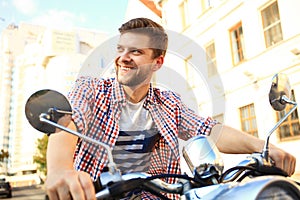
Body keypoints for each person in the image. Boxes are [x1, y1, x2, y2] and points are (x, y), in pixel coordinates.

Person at [45, 17, 296, 200]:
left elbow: (211, 130)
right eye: (121, 49)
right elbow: (68, 124)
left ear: (157, 62)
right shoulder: (91, 89)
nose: (123, 57)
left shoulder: (169, 103)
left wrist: (265, 147)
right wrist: (59, 171)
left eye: (136, 52)